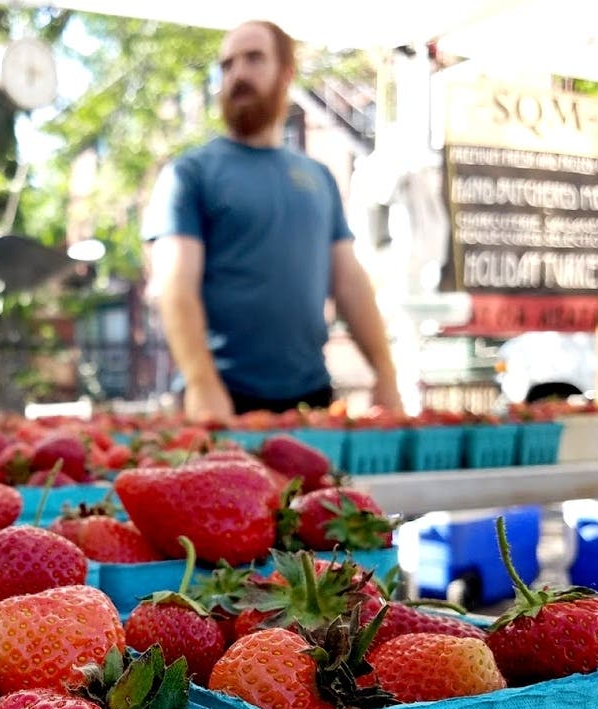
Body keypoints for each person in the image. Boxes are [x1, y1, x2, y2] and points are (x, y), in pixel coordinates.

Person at [141, 19, 404, 422]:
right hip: (222, 401)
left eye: (253, 59)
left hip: (311, 399)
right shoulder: (190, 173)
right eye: (227, 65)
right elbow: (176, 285)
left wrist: (384, 371)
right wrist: (202, 384)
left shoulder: (319, 178)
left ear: (286, 73)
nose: (237, 74)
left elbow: (349, 282)